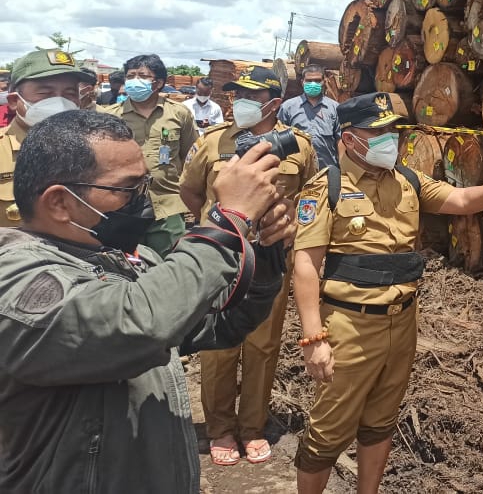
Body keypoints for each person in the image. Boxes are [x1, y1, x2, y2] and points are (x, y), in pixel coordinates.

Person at [0, 110, 295, 494]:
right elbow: (141, 323)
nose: (143, 200)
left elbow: (220, 323)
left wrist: (267, 253)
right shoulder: (18, 279)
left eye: (145, 184)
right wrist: (227, 220)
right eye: (127, 188)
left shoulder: (125, 258)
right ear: (59, 203)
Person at [292, 93, 483, 494]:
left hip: (402, 322)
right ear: (349, 138)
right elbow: (306, 266)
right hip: (349, 327)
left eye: (392, 131)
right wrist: (314, 339)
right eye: (377, 132)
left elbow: (462, 200)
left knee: (380, 422)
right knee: (328, 430)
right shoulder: (325, 188)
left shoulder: (408, 180)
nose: (388, 140)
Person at [179, 66, 317, 467]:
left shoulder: (299, 147)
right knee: (217, 346)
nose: (237, 102)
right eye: (235, 94)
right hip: (220, 258)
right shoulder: (211, 143)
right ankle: (220, 427)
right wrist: (218, 226)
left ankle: (252, 426)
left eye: (249, 96)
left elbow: (309, 196)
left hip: (270, 261)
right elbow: (190, 191)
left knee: (262, 345)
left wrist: (290, 228)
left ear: (274, 103)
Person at [100, 54, 197, 255]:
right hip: (121, 206)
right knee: (123, 264)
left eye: (142, 76)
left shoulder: (179, 114)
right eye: (130, 76)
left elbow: (190, 156)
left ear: (158, 83)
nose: (134, 81)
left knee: (171, 264)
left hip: (167, 204)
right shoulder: (110, 116)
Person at [1, 49, 96, 228]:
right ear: (14, 101)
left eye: (69, 93)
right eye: (45, 93)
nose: (60, 102)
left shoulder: (94, 150)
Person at [278, 65, 340, 169]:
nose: (313, 84)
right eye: (309, 80)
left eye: (317, 80)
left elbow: (340, 140)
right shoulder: (288, 107)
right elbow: (279, 139)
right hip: (297, 169)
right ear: (302, 82)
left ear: (324, 81)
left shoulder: (334, 108)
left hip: (326, 169)